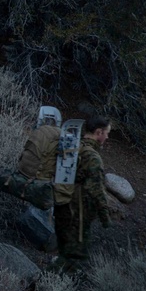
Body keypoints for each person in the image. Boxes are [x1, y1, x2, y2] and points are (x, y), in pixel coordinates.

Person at [53, 115, 112, 274]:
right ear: (98, 132)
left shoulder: (73, 147)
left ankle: (52, 287)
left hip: (62, 206)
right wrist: (105, 216)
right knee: (73, 256)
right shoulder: (92, 157)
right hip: (78, 214)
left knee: (65, 252)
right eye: (106, 133)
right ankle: (44, 286)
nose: (107, 137)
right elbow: (96, 189)